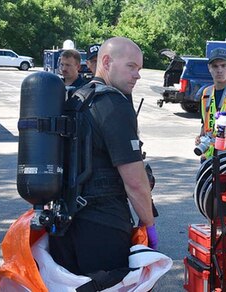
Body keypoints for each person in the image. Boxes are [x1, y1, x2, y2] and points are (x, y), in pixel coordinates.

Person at [49, 37, 157, 288]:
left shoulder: (78, 98)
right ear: (106, 62)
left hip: (65, 223)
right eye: (132, 66)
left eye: (139, 69)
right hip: (103, 226)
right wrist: (149, 224)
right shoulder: (113, 103)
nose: (137, 75)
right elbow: (135, 182)